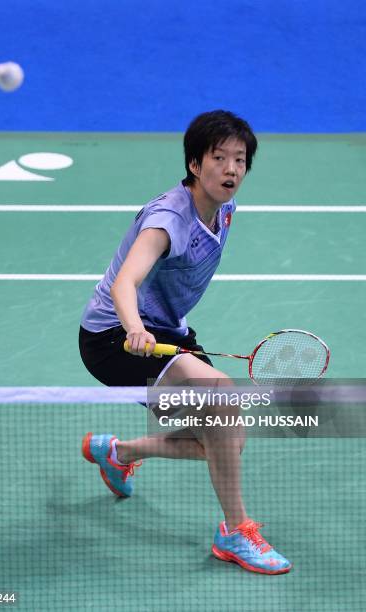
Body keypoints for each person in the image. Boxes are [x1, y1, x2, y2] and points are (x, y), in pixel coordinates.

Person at [79, 110, 292, 574]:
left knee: (225, 443)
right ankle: (236, 531)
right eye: (219, 158)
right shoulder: (167, 219)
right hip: (115, 336)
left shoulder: (224, 209)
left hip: (169, 333)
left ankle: (118, 452)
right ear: (195, 165)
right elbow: (124, 283)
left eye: (240, 159)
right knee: (223, 399)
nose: (232, 169)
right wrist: (134, 327)